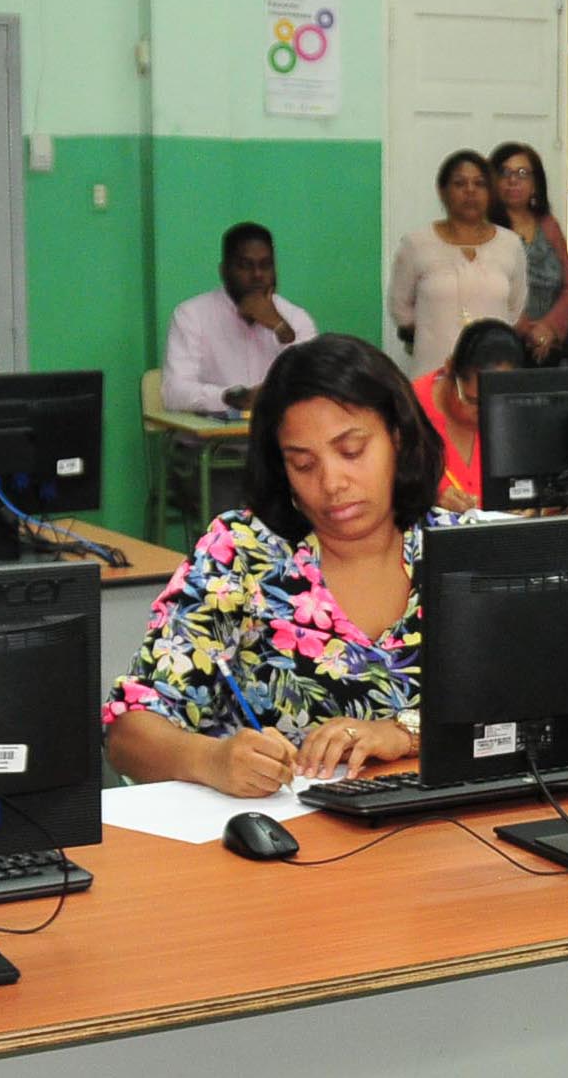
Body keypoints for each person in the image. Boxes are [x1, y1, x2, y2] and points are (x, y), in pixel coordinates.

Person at [104, 334, 451, 794]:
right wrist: (212, 759)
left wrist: (403, 733)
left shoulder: (456, 547)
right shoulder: (244, 554)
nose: (331, 482)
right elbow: (128, 733)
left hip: (442, 834)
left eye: (351, 451)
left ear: (399, 438)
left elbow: (528, 707)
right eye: (304, 465)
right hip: (285, 844)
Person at [388, 149, 526, 377]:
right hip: (432, 374)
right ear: (442, 192)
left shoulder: (510, 245)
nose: (470, 191)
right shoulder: (416, 244)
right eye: (460, 184)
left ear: (490, 192)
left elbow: (514, 308)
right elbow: (401, 309)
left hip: (492, 376)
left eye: (479, 184)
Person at [163, 221, 317, 416]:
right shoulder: (191, 315)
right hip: (212, 441)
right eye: (245, 266)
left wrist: (279, 325)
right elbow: (173, 393)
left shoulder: (296, 318)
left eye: (266, 265)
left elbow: (312, 384)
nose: (258, 275)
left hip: (277, 439)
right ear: (223, 271)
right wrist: (232, 397)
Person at [415, 317, 530, 510]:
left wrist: (530, 505)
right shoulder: (409, 411)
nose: (486, 414)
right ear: (450, 369)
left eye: (496, 403)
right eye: (474, 402)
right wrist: (428, 497)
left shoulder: (519, 410)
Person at [490, 141, 568, 366]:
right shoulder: (485, 230)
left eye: (522, 173)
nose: (513, 180)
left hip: (554, 343)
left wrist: (548, 328)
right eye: (505, 173)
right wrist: (525, 328)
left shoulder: (549, 226)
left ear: (535, 185)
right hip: (502, 345)